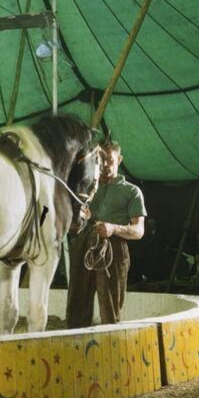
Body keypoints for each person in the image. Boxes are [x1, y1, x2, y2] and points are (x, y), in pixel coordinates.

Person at [66, 141, 146, 328]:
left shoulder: (132, 191)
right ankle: (75, 347)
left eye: (109, 160)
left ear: (119, 159)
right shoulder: (86, 188)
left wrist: (114, 228)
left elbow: (139, 231)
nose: (104, 165)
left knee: (110, 308)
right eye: (100, 160)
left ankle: (111, 348)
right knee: (76, 304)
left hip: (113, 249)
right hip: (83, 245)